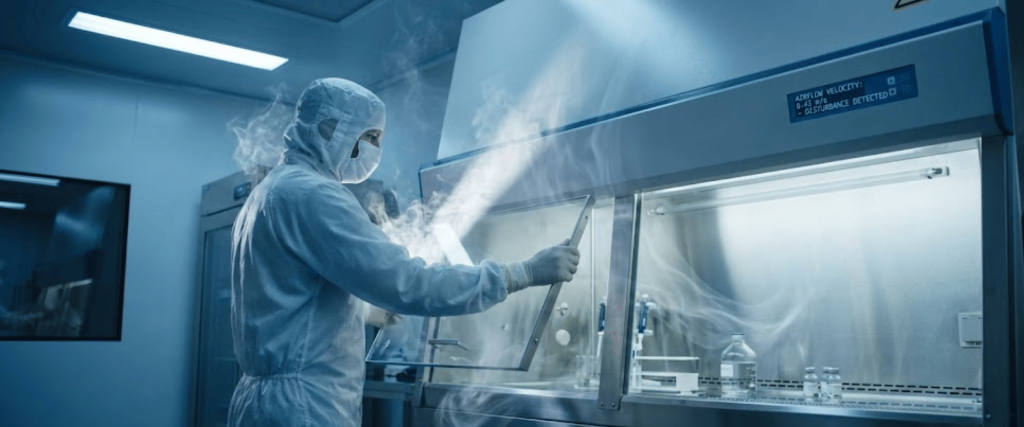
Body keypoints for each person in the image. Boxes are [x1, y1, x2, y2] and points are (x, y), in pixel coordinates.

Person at [228, 78, 580, 427]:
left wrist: (366, 312)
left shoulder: (268, 193)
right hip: (303, 407)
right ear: (332, 130)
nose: (375, 150)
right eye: (371, 137)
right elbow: (411, 283)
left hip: (260, 402)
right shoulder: (313, 195)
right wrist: (523, 273)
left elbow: (289, 298)